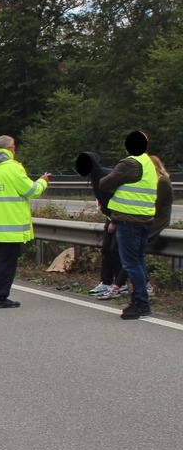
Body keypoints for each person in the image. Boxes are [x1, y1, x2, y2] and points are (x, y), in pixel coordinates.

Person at [0, 135, 50, 308]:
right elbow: (32, 191)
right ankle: (0, 298)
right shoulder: (13, 168)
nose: (15, 150)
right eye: (14, 147)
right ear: (9, 149)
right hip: (11, 226)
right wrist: (43, 182)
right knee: (6, 264)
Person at [99, 131, 156, 319]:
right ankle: (139, 301)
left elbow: (105, 183)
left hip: (129, 221)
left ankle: (141, 303)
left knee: (131, 264)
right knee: (138, 262)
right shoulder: (148, 163)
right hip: (145, 220)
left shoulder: (129, 163)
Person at [74, 151, 120, 297]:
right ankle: (106, 282)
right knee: (106, 249)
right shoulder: (93, 177)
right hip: (110, 216)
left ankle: (121, 284)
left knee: (115, 250)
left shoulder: (106, 176)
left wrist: (115, 219)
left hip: (121, 216)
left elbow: (119, 197)